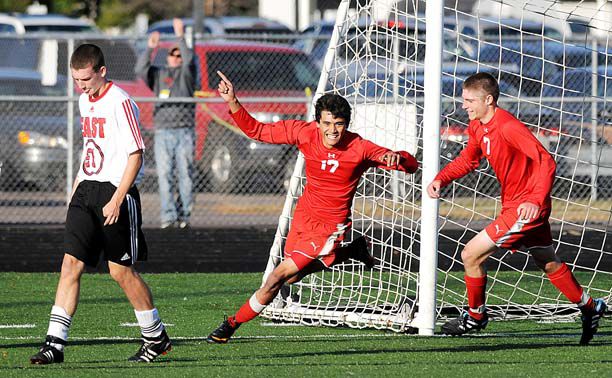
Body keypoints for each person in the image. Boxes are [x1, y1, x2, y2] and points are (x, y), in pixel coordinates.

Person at [206, 71, 419, 344]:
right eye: (327, 123)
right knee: (292, 279)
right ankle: (351, 251)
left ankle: (230, 325)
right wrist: (233, 100)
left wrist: (398, 158)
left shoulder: (360, 147)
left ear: (347, 124)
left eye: (339, 124)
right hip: (305, 216)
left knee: (277, 277)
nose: (332, 130)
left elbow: (411, 166)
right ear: (318, 122)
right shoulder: (303, 133)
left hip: (331, 225)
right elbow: (257, 131)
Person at [427, 72, 606, 344]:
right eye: (463, 100)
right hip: (515, 204)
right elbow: (468, 159)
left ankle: (476, 316)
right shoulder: (477, 126)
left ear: (489, 99)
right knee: (546, 261)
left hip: (526, 208)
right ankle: (591, 307)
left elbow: (546, 161)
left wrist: (534, 200)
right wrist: (442, 177)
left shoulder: (507, 126)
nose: (464, 105)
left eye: (469, 100)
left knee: (470, 255)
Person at [30, 44, 171, 364]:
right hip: (86, 191)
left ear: (102, 71)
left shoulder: (121, 102)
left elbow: (136, 154)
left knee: (120, 271)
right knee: (70, 265)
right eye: (77, 80)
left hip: (114, 193)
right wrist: (77, 185)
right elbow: (91, 147)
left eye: (86, 79)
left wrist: (118, 199)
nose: (81, 86)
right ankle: (54, 345)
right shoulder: (84, 100)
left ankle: (155, 337)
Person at [136, 18, 196, 229]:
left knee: (185, 175)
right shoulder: (159, 74)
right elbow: (141, 69)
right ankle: (168, 216)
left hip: (184, 131)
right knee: (165, 175)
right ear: (168, 57)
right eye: (173, 54)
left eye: (179, 54)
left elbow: (189, 60)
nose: (177, 57)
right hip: (163, 132)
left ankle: (184, 216)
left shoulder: (186, 74)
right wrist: (150, 48)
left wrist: (180, 36)